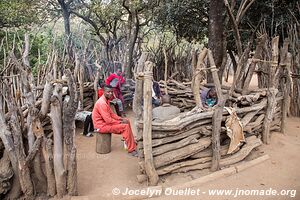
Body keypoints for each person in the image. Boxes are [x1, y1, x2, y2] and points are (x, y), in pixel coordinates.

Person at [92, 85, 137, 156]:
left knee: (126, 121)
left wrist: (121, 119)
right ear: (104, 92)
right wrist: (120, 122)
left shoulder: (106, 100)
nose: (110, 93)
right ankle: (131, 150)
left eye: (111, 92)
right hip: (100, 126)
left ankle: (130, 141)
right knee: (124, 127)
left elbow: (112, 114)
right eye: (108, 92)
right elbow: (108, 120)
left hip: (105, 123)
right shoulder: (102, 103)